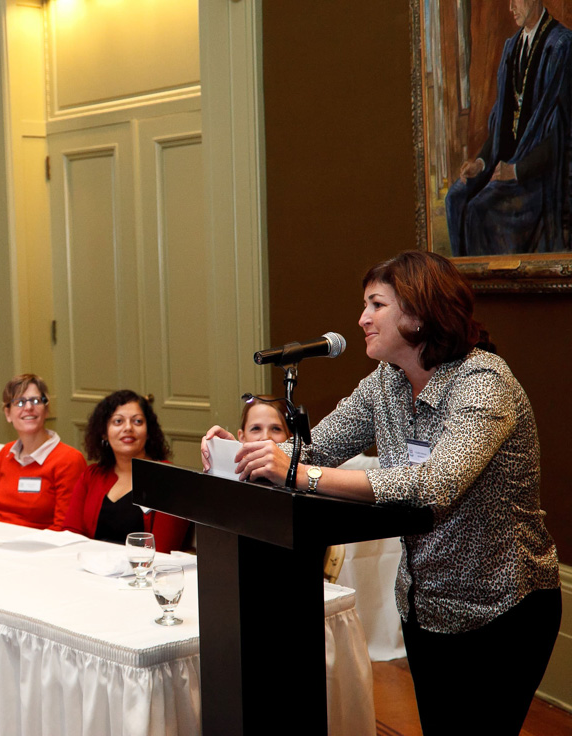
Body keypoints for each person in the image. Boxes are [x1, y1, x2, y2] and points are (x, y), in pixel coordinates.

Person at [201, 251, 560, 735]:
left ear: (418, 312)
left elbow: (435, 483)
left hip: (501, 608)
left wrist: (298, 475)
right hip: (425, 603)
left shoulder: (484, 384)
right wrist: (243, 454)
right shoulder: (386, 383)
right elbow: (317, 448)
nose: (361, 319)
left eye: (375, 305)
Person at [445, 0, 572, 255]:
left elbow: (563, 132)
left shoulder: (562, 45)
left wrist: (516, 170)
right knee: (455, 198)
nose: (511, 7)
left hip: (539, 172)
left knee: (479, 210)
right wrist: (481, 162)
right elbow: (502, 124)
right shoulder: (511, 47)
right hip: (502, 163)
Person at [63, 390, 190, 553]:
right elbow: (71, 536)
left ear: (148, 431)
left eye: (137, 421)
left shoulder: (167, 479)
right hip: (92, 570)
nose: (128, 428)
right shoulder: (91, 476)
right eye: (118, 421)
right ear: (104, 433)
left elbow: (162, 551)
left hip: (143, 573)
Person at [0, 374, 87, 530]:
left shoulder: (69, 459)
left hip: (39, 548)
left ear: (46, 409)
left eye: (35, 401)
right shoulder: (6, 453)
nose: (28, 407)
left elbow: (66, 528)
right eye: (19, 402)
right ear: (8, 414)